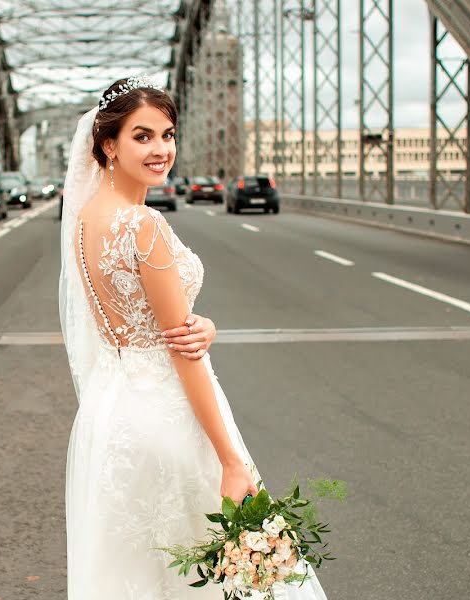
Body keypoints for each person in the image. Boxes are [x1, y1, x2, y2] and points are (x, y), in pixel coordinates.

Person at [60, 77, 328, 599]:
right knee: (216, 577)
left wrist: (203, 325)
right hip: (167, 414)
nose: (161, 149)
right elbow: (181, 353)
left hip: (111, 416)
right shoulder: (143, 226)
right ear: (107, 145)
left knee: (137, 574)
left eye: (167, 134)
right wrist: (230, 459)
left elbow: (131, 321)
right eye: (142, 137)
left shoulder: (85, 219)